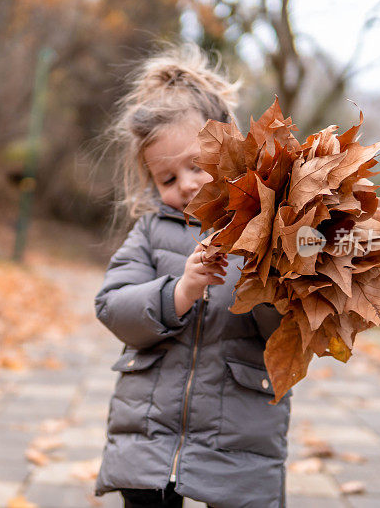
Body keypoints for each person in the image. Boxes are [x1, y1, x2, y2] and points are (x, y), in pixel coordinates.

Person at [93, 43, 289, 508]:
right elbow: (112, 305)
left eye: (196, 166)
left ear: (232, 152)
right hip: (148, 435)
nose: (184, 184)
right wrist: (180, 290)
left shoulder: (267, 229)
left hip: (239, 433)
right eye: (166, 178)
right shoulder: (150, 231)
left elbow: (287, 332)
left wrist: (260, 281)